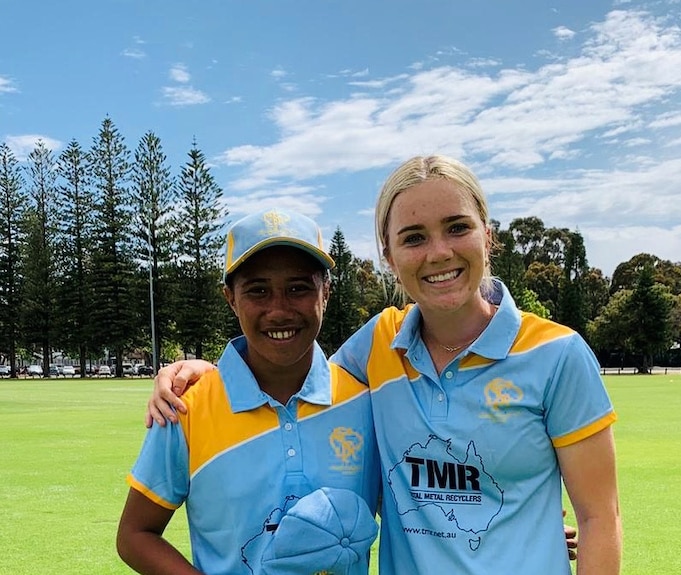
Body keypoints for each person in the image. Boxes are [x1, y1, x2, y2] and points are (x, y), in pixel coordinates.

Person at [149, 155, 622, 574]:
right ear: (389, 257)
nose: (439, 252)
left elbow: (600, 518)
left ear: (487, 235)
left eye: (457, 227)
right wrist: (208, 372)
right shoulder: (378, 343)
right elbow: (291, 365)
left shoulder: (558, 354)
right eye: (414, 237)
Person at [118, 209, 381, 575]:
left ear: (326, 293)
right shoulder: (186, 408)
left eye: (298, 288)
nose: (279, 310)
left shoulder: (366, 402)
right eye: (258, 290)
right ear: (230, 298)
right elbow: (135, 534)